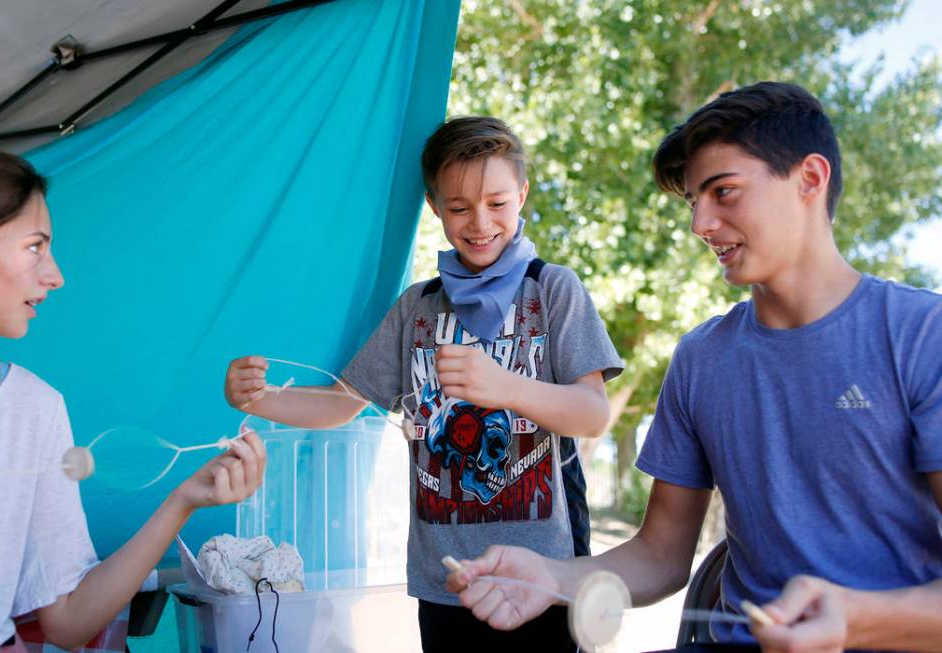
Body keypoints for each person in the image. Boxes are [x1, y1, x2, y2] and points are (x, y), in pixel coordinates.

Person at [445, 82, 942, 652]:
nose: (699, 224)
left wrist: (854, 620)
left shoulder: (922, 336)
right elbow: (660, 554)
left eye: (723, 192)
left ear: (810, 179)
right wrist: (553, 578)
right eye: (693, 202)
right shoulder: (702, 357)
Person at [225, 116, 623, 651]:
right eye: (458, 207)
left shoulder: (552, 291)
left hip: (542, 582)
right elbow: (342, 403)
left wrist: (504, 387)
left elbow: (592, 413)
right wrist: (260, 398)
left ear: (523, 194)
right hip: (444, 584)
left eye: (498, 203)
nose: (480, 222)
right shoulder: (418, 306)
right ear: (434, 207)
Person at [0, 140, 268, 653]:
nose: (55, 275)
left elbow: (68, 623)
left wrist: (185, 499)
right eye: (36, 245)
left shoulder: (33, 409)